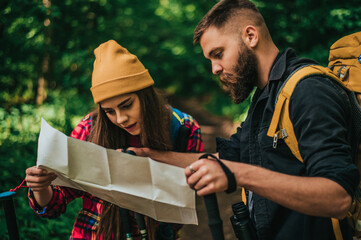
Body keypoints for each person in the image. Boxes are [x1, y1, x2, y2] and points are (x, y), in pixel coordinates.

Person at [128, 0, 360, 239]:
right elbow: (227, 159)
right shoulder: (267, 96)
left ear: (251, 36)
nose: (214, 69)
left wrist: (237, 173)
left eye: (218, 54)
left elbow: (338, 197)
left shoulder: (308, 91)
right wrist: (150, 157)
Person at [25, 40, 203, 240]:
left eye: (126, 105)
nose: (120, 119)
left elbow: (192, 192)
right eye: (109, 111)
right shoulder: (90, 129)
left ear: (145, 95)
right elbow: (57, 202)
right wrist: (40, 188)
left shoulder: (183, 128)